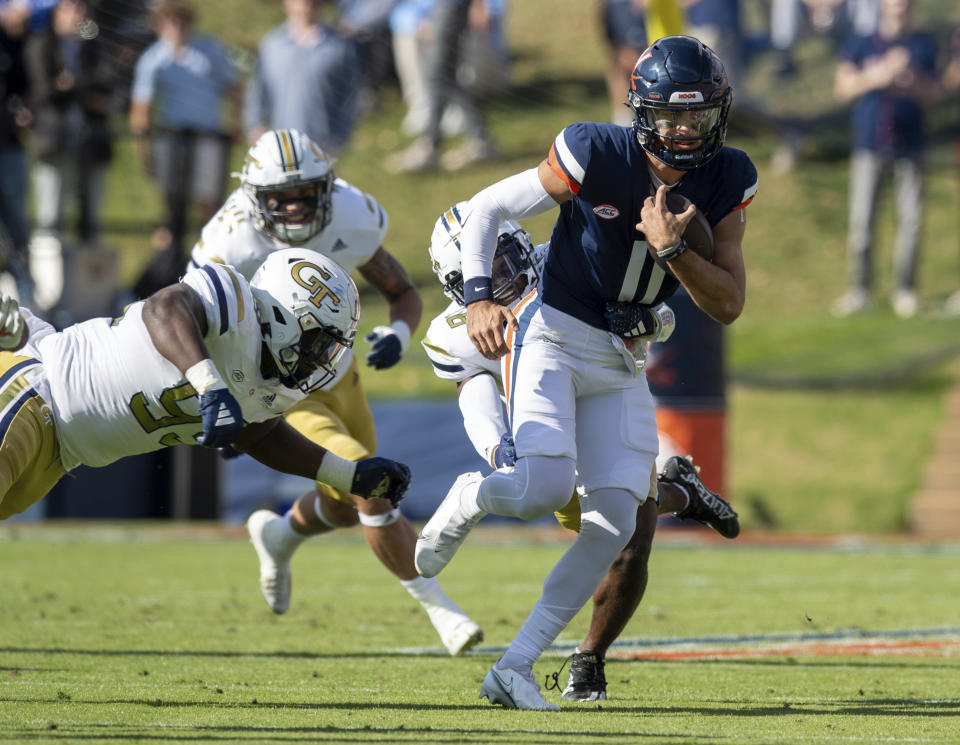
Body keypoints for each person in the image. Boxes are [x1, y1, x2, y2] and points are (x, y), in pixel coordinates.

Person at [414, 35, 757, 709]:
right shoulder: (594, 151)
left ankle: (516, 666)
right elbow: (489, 207)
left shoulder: (728, 176)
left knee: (615, 527)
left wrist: (675, 250)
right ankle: (470, 496)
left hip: (620, 359)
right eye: (670, 115)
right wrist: (481, 293)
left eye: (697, 115)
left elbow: (728, 303)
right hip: (555, 335)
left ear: (718, 112)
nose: (684, 129)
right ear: (641, 113)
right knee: (540, 486)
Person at [422, 202, 740, 701]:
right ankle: (680, 491)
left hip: (607, 387)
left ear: (522, 246)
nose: (497, 280)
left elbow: (664, 318)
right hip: (544, 420)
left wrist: (647, 320)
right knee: (568, 504)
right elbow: (474, 385)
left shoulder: (572, 261)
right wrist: (494, 449)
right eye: (477, 276)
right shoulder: (453, 331)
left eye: (503, 261)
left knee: (626, 530)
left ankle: (572, 660)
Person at [190, 128, 484, 657]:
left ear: (327, 188)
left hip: (340, 374)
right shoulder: (228, 242)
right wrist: (219, 397)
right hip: (280, 393)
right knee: (367, 486)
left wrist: (398, 331)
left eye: (307, 194)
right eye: (283, 198)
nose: (297, 208)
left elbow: (399, 290)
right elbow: (192, 323)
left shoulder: (349, 214)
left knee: (347, 505)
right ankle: (440, 608)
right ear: (255, 199)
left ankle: (279, 537)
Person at [0, 248, 411, 520]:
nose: (321, 359)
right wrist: (210, 385)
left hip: (62, 454)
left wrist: (350, 477)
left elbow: (261, 435)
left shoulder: (272, 387)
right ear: (286, 317)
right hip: (39, 391)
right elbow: (165, 308)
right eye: (319, 342)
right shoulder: (236, 301)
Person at [830, 0, 937, 319]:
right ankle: (860, 291)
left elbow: (934, 96)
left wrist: (911, 77)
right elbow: (842, 88)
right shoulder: (861, 42)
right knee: (862, 224)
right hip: (869, 144)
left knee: (911, 222)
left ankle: (905, 291)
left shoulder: (923, 44)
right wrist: (875, 76)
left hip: (911, 145)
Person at [129, 0, 239, 298]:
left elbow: (234, 87)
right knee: (173, 211)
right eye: (170, 20)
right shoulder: (154, 59)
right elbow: (140, 109)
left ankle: (213, 272)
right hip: (174, 140)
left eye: (182, 20)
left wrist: (234, 125)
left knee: (209, 209)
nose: (177, 27)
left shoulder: (209, 51)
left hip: (207, 138)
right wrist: (145, 152)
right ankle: (168, 272)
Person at [384, 0, 498, 173]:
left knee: (438, 74)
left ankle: (431, 147)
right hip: (442, 6)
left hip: (450, 5)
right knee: (445, 75)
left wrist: (479, 5)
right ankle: (479, 141)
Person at [244, 0, 360, 155]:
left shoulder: (339, 47)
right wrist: (255, 125)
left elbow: (350, 95)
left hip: (323, 145)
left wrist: (340, 136)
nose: (307, 5)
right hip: (279, 145)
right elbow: (258, 89)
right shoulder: (272, 44)